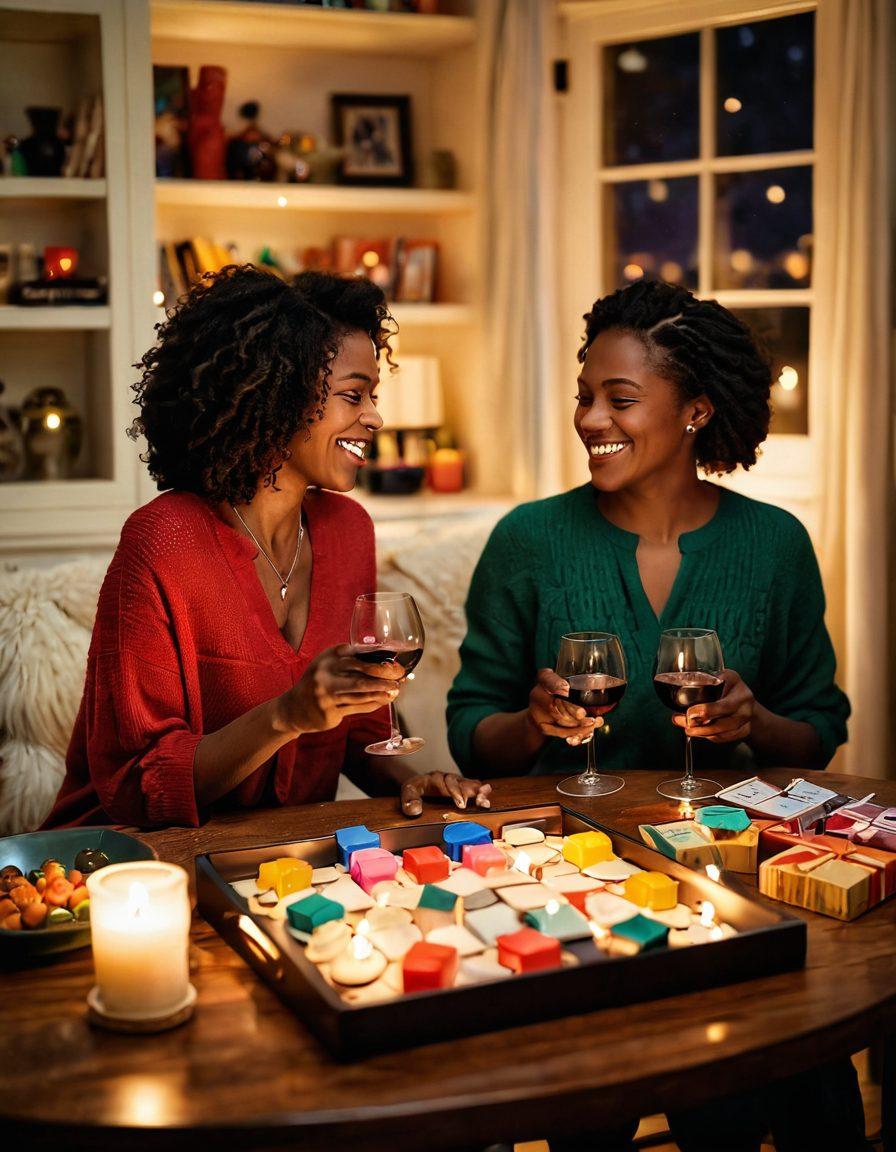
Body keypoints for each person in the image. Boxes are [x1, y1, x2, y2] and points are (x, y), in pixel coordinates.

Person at [448, 280, 866, 1152]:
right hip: (575, 890)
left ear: (695, 411)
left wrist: (755, 720)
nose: (589, 416)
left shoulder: (775, 545)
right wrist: (531, 723)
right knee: (589, 1117)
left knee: (791, 1094)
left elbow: (820, 731)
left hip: (736, 889)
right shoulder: (529, 541)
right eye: (584, 394)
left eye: (620, 398)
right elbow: (471, 730)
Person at [44, 266, 489, 830]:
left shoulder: (349, 530)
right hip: (121, 868)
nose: (375, 417)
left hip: (274, 861)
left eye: (373, 396)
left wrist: (411, 783)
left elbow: (359, 732)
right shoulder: (163, 542)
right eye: (354, 395)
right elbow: (137, 787)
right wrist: (287, 715)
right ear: (279, 394)